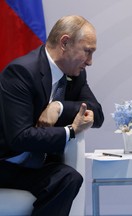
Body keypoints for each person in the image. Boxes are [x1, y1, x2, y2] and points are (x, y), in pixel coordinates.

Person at [0, 15, 104, 216]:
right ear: (65, 42)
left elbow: (96, 114)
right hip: (5, 163)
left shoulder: (75, 74)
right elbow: (20, 137)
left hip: (32, 165)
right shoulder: (21, 72)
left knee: (69, 178)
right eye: (87, 51)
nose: (90, 62)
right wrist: (71, 131)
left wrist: (59, 107)